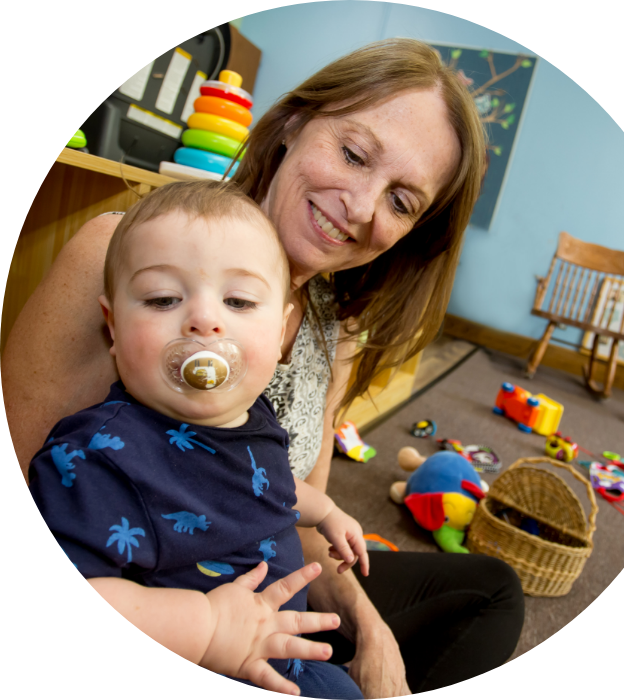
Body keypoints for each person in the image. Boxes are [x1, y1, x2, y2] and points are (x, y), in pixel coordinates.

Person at [4, 39, 525, 696]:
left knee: (494, 591)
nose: (361, 207)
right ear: (294, 124)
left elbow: (285, 503)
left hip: (271, 577)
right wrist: (196, 625)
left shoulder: (335, 323)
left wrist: (371, 633)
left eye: (401, 201)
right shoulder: (126, 258)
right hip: (158, 599)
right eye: (354, 154)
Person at [27, 180, 370, 698]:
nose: (205, 320)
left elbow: (265, 484)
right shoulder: (97, 457)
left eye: (238, 300)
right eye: (163, 298)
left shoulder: (252, 415)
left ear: (279, 334)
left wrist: (324, 512)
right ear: (113, 325)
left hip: (278, 649)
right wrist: (205, 626)